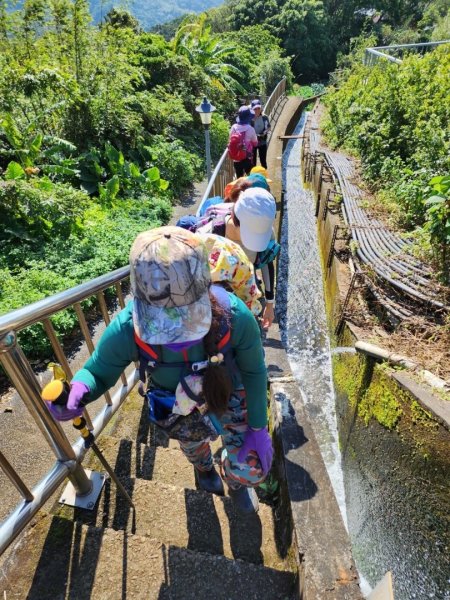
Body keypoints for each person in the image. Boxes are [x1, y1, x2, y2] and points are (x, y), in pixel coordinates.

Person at [46, 226, 273, 515]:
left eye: (185, 318)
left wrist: (257, 427)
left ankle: (237, 481)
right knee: (193, 445)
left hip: (230, 394)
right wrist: (80, 389)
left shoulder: (235, 316)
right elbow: (99, 370)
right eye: (163, 323)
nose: (176, 333)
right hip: (178, 405)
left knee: (251, 468)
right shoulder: (129, 328)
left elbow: (254, 372)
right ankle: (204, 470)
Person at [198, 187, 277, 330]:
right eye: (251, 233)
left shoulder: (266, 231)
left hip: (247, 289)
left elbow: (266, 263)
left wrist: (270, 304)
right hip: (217, 300)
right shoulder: (210, 234)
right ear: (235, 218)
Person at [228, 106, 258, 178]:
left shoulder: (234, 127)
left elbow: (230, 139)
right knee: (249, 177)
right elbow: (255, 143)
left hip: (236, 158)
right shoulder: (251, 129)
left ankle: (240, 189)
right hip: (247, 158)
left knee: (239, 178)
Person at [250, 99, 271, 169]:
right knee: (253, 162)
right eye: (255, 109)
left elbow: (268, 127)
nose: (257, 110)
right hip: (252, 143)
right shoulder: (250, 119)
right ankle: (253, 178)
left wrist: (264, 132)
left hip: (262, 141)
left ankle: (264, 177)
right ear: (252, 109)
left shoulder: (265, 117)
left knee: (263, 161)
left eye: (258, 108)